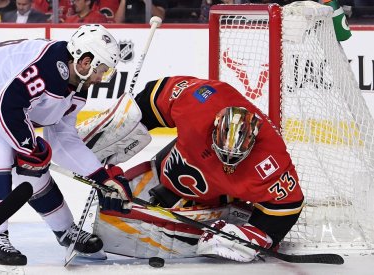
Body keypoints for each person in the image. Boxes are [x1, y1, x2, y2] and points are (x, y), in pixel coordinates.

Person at [0, 24, 132, 274]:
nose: (101, 78)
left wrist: (101, 176)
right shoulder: (47, 67)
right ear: (85, 61)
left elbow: (63, 137)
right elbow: (6, 111)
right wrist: (29, 149)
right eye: (102, 70)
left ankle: (65, 231)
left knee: (29, 162)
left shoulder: (76, 85)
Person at [79, 76, 304, 262]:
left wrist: (259, 235)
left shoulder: (270, 158)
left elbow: (289, 204)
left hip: (209, 204)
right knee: (112, 214)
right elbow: (153, 96)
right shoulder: (202, 102)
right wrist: (117, 137)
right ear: (215, 129)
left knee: (202, 242)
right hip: (164, 172)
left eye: (235, 158)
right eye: (221, 152)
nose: (226, 162)